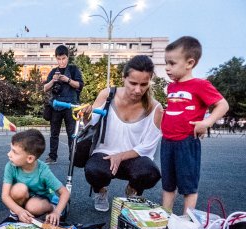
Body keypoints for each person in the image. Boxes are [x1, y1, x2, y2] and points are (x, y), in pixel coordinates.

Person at [84, 55, 163, 212]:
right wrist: (86, 114)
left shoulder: (156, 108)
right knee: (93, 171)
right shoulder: (107, 95)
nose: (138, 90)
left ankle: (132, 189)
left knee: (151, 173)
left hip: (134, 158)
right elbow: (91, 122)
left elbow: (148, 146)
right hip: (104, 154)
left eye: (143, 84)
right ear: (123, 78)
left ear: (150, 81)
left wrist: (120, 156)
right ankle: (101, 192)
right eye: (132, 83)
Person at [161, 36, 229, 213]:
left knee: (188, 185)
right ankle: (164, 216)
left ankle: (186, 220)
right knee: (168, 184)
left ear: (189, 63)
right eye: (165, 63)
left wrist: (206, 122)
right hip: (167, 141)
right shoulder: (171, 87)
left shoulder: (200, 85)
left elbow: (223, 105)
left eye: (172, 63)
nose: (167, 68)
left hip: (186, 142)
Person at [1, 129, 70, 225]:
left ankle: (51, 207)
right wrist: (19, 211)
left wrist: (57, 212)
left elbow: (64, 192)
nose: (9, 154)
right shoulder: (10, 166)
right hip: (24, 198)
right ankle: (15, 215)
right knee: (18, 189)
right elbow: (5, 196)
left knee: (33, 207)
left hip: (41, 199)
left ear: (30, 158)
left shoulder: (43, 171)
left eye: (14, 152)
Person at [43, 45, 84, 165]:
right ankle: (52, 156)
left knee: (72, 134)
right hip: (56, 106)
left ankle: (73, 157)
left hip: (70, 106)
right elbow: (45, 88)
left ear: (68, 57)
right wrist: (53, 80)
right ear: (56, 58)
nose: (61, 61)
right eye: (59, 59)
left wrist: (68, 80)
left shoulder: (73, 69)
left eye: (63, 58)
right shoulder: (53, 72)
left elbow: (80, 85)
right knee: (54, 133)